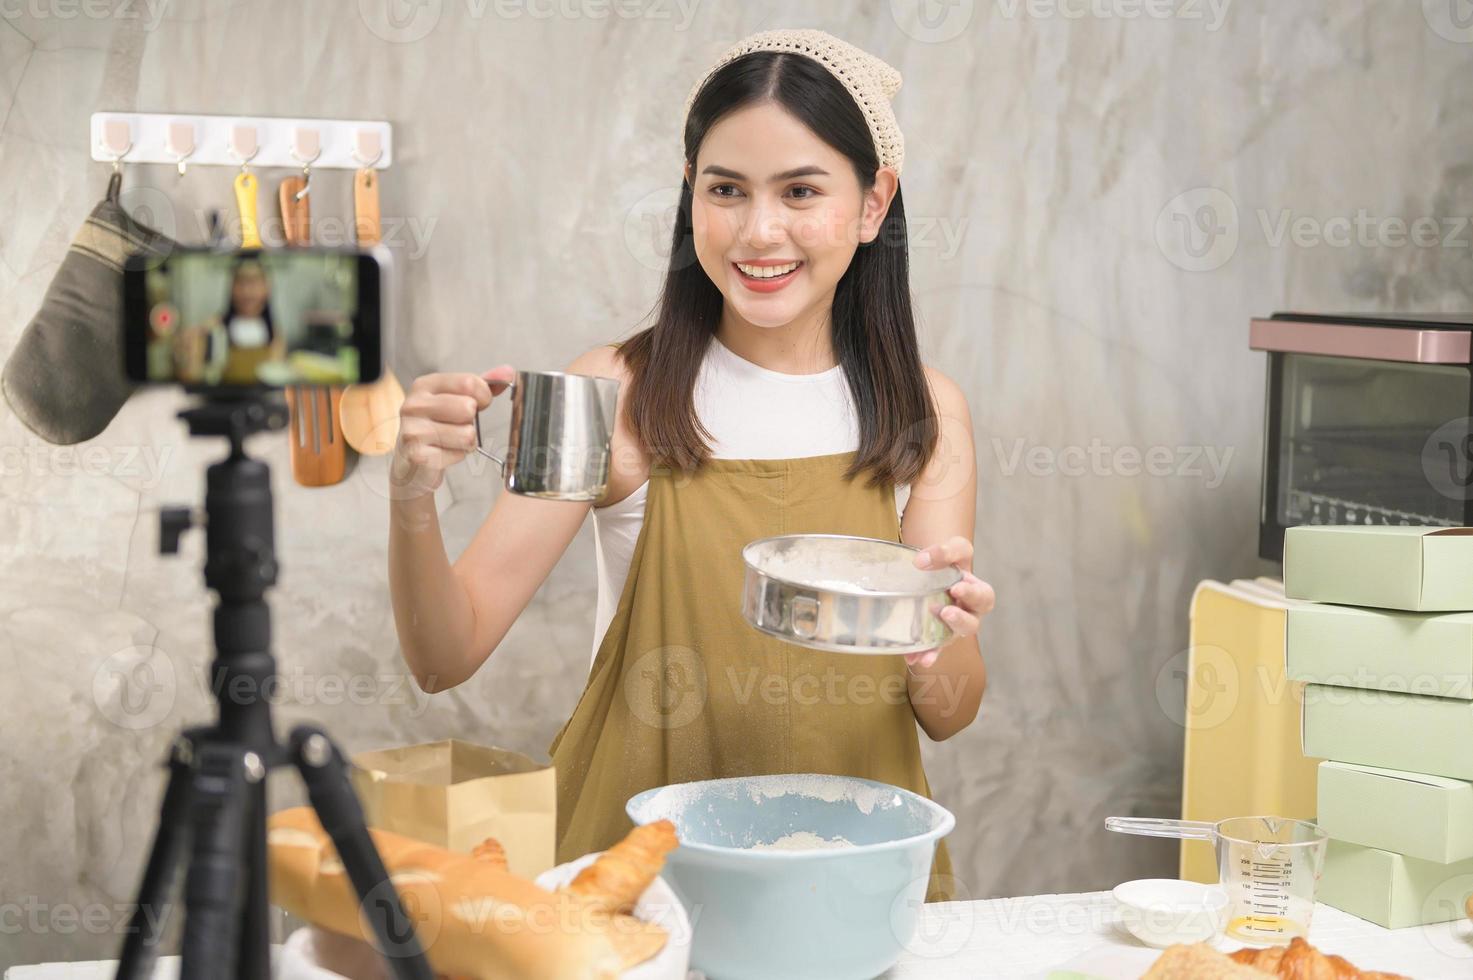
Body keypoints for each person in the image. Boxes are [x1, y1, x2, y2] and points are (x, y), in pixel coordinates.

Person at [387, 29, 993, 902]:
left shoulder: (924, 414)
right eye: (726, 191)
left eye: (800, 191)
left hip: (850, 881)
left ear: (871, 204)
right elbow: (444, 655)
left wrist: (941, 650)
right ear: (690, 197)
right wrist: (411, 499)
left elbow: (951, 714)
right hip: (636, 881)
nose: (759, 231)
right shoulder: (612, 393)